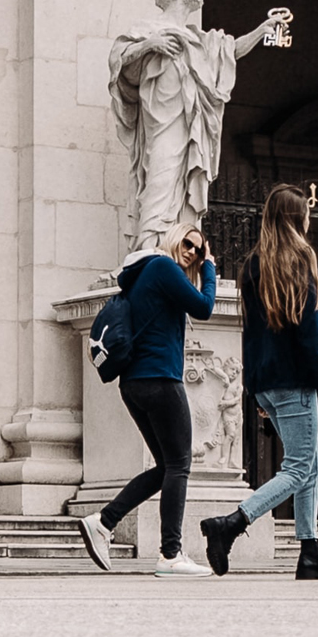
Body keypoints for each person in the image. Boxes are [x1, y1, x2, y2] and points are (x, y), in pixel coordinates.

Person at [203, 186, 318, 581]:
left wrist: (256, 388)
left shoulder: (254, 264)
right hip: (297, 380)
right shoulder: (301, 259)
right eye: (307, 213)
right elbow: (311, 330)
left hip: (268, 381)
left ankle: (309, 551)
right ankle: (230, 524)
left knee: (312, 465)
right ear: (298, 218)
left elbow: (251, 333)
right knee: (301, 467)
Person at [78, 225, 216, 577]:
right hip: (160, 380)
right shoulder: (163, 267)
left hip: (135, 384)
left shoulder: (143, 274)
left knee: (166, 466)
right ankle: (170, 554)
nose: (192, 253)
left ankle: (103, 521)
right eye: (188, 244)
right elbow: (203, 307)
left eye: (199, 252)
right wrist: (211, 268)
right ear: (173, 239)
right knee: (180, 465)